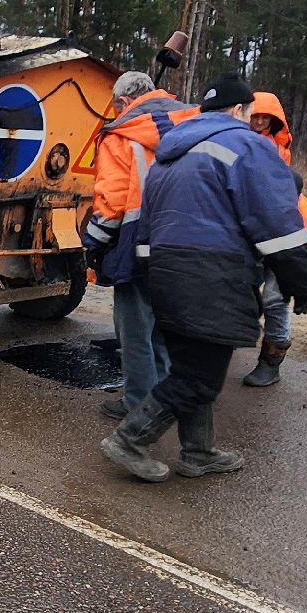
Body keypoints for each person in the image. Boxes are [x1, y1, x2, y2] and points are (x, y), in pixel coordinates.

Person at [100, 72, 307, 482]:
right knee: (197, 377)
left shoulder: (170, 152)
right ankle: (129, 440)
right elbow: (275, 220)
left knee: (194, 365)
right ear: (239, 110)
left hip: (165, 272)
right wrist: (301, 279)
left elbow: (147, 221)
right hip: (211, 274)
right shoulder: (247, 146)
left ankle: (198, 452)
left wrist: (151, 272)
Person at [83, 71, 199, 419]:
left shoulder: (121, 135)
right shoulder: (192, 122)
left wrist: (93, 247)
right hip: (188, 242)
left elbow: (112, 205)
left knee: (134, 333)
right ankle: (162, 402)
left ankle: (138, 406)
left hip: (139, 246)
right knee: (163, 329)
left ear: (122, 103)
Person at [241, 91, 307, 387]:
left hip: (291, 230)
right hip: (260, 229)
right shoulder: (242, 144)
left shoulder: (273, 150)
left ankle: (271, 361)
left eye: (266, 118)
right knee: (242, 286)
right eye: (256, 116)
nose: (260, 122)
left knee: (275, 299)